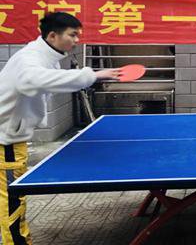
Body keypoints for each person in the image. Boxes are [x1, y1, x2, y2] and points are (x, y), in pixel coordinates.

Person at [0, 12, 120, 244]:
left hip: (11, 135)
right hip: (6, 140)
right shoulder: (29, 59)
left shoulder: (46, 56)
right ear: (53, 35)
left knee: (8, 196)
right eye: (72, 35)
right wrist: (92, 75)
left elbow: (52, 78)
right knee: (12, 199)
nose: (76, 40)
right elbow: (35, 79)